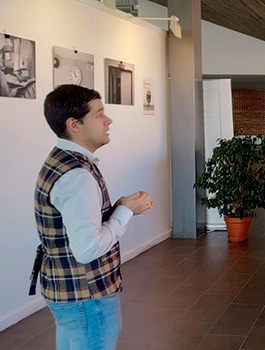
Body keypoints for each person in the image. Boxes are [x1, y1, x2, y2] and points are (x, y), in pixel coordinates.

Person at [31, 85, 154, 350]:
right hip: (87, 295)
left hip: (69, 291)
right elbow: (87, 249)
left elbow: (75, 226)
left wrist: (118, 206)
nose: (108, 121)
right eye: (99, 114)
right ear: (74, 124)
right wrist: (125, 212)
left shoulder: (63, 160)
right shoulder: (77, 175)